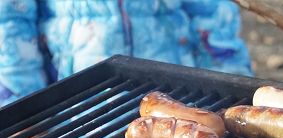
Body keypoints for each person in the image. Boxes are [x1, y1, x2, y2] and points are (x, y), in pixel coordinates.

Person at [0, 0, 253, 107]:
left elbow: (211, 14)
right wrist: (21, 100)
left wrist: (231, 83)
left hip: (176, 90)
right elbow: (10, 23)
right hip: (82, 100)